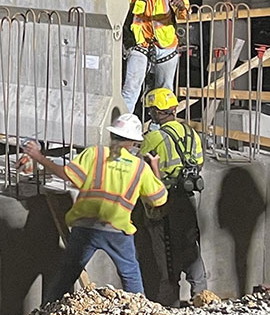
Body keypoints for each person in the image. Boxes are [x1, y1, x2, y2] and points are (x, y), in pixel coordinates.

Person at [23, 113, 167, 300]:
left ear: (112, 136)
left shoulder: (95, 154)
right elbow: (159, 199)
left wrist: (39, 157)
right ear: (133, 142)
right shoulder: (139, 167)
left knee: (65, 277)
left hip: (85, 227)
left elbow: (68, 176)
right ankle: (140, 314)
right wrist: (154, 167)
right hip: (117, 230)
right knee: (131, 276)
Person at [139, 88, 208, 306]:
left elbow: (140, 163)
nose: (151, 114)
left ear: (158, 112)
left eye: (152, 110)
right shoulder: (191, 134)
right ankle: (201, 294)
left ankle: (170, 300)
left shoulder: (155, 137)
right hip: (187, 197)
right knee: (190, 245)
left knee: (165, 249)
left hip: (163, 198)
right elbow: (199, 162)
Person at [119, 0, 188, 113]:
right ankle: (123, 127)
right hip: (140, 44)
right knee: (131, 88)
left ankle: (159, 127)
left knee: (165, 91)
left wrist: (181, 6)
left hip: (166, 45)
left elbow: (184, 14)